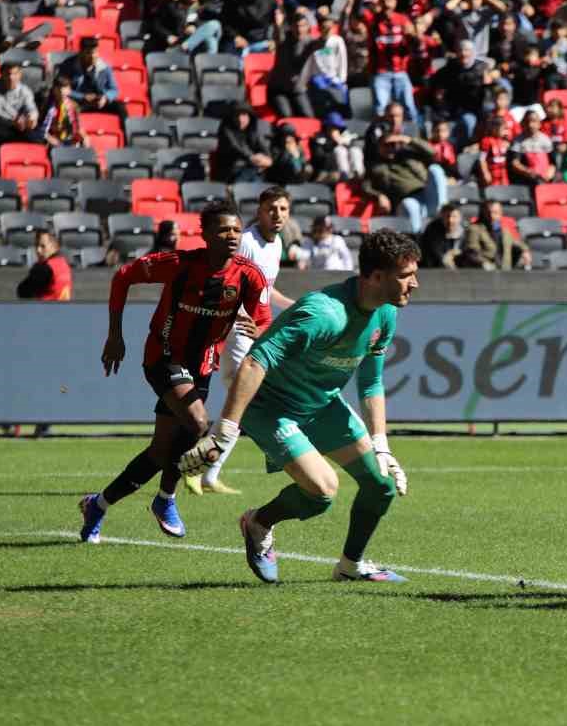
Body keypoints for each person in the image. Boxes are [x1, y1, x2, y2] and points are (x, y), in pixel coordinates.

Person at [179, 230, 419, 585]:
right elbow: (254, 362)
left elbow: (370, 382)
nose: (414, 284)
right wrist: (224, 430)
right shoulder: (323, 314)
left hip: (321, 404)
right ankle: (258, 522)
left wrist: (382, 443)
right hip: (273, 407)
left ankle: (350, 566)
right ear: (375, 277)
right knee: (322, 492)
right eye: (405, 276)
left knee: (380, 485)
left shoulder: (385, 313)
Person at [79, 201, 270, 544]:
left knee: (160, 451)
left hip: (203, 365)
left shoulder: (248, 274)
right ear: (205, 234)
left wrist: (259, 328)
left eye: (236, 230)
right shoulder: (179, 264)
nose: (231, 236)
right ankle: (166, 499)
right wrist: (115, 334)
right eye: (223, 229)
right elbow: (123, 276)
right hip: (164, 357)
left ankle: (98, 505)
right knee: (198, 423)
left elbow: (264, 318)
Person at [189, 188, 296, 497]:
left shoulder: (275, 247)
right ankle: (198, 467)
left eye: (283, 208)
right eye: (271, 208)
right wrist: (234, 319)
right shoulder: (246, 242)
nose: (277, 214)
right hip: (237, 335)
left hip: (250, 335)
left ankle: (206, 472)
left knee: (240, 405)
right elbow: (224, 282)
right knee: (243, 403)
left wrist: (295, 308)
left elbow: (266, 292)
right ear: (259, 211)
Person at [16, 230, 73, 301]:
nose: (38, 250)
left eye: (43, 246)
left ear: (55, 246)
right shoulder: (64, 264)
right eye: (36, 245)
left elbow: (22, 292)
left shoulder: (44, 269)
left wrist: (35, 269)